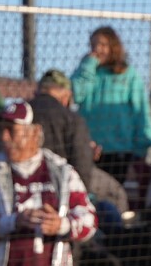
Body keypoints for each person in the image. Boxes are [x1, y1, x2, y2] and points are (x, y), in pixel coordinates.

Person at [0, 101, 97, 266]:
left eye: (11, 130)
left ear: (35, 132)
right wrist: (14, 222)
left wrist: (61, 224)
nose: (4, 137)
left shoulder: (62, 172)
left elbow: (89, 221)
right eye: (1, 130)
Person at [29, 68, 127, 214]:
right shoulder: (72, 118)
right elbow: (81, 163)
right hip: (62, 182)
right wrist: (80, 200)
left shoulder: (21, 114)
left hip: (24, 180)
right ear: (66, 96)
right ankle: (112, 234)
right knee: (117, 193)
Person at [71, 26, 151, 183]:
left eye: (102, 44)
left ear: (113, 47)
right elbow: (75, 94)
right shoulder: (86, 71)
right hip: (89, 147)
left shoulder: (128, 74)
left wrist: (143, 145)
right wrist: (88, 66)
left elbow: (140, 110)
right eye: (93, 44)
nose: (97, 49)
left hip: (119, 151)